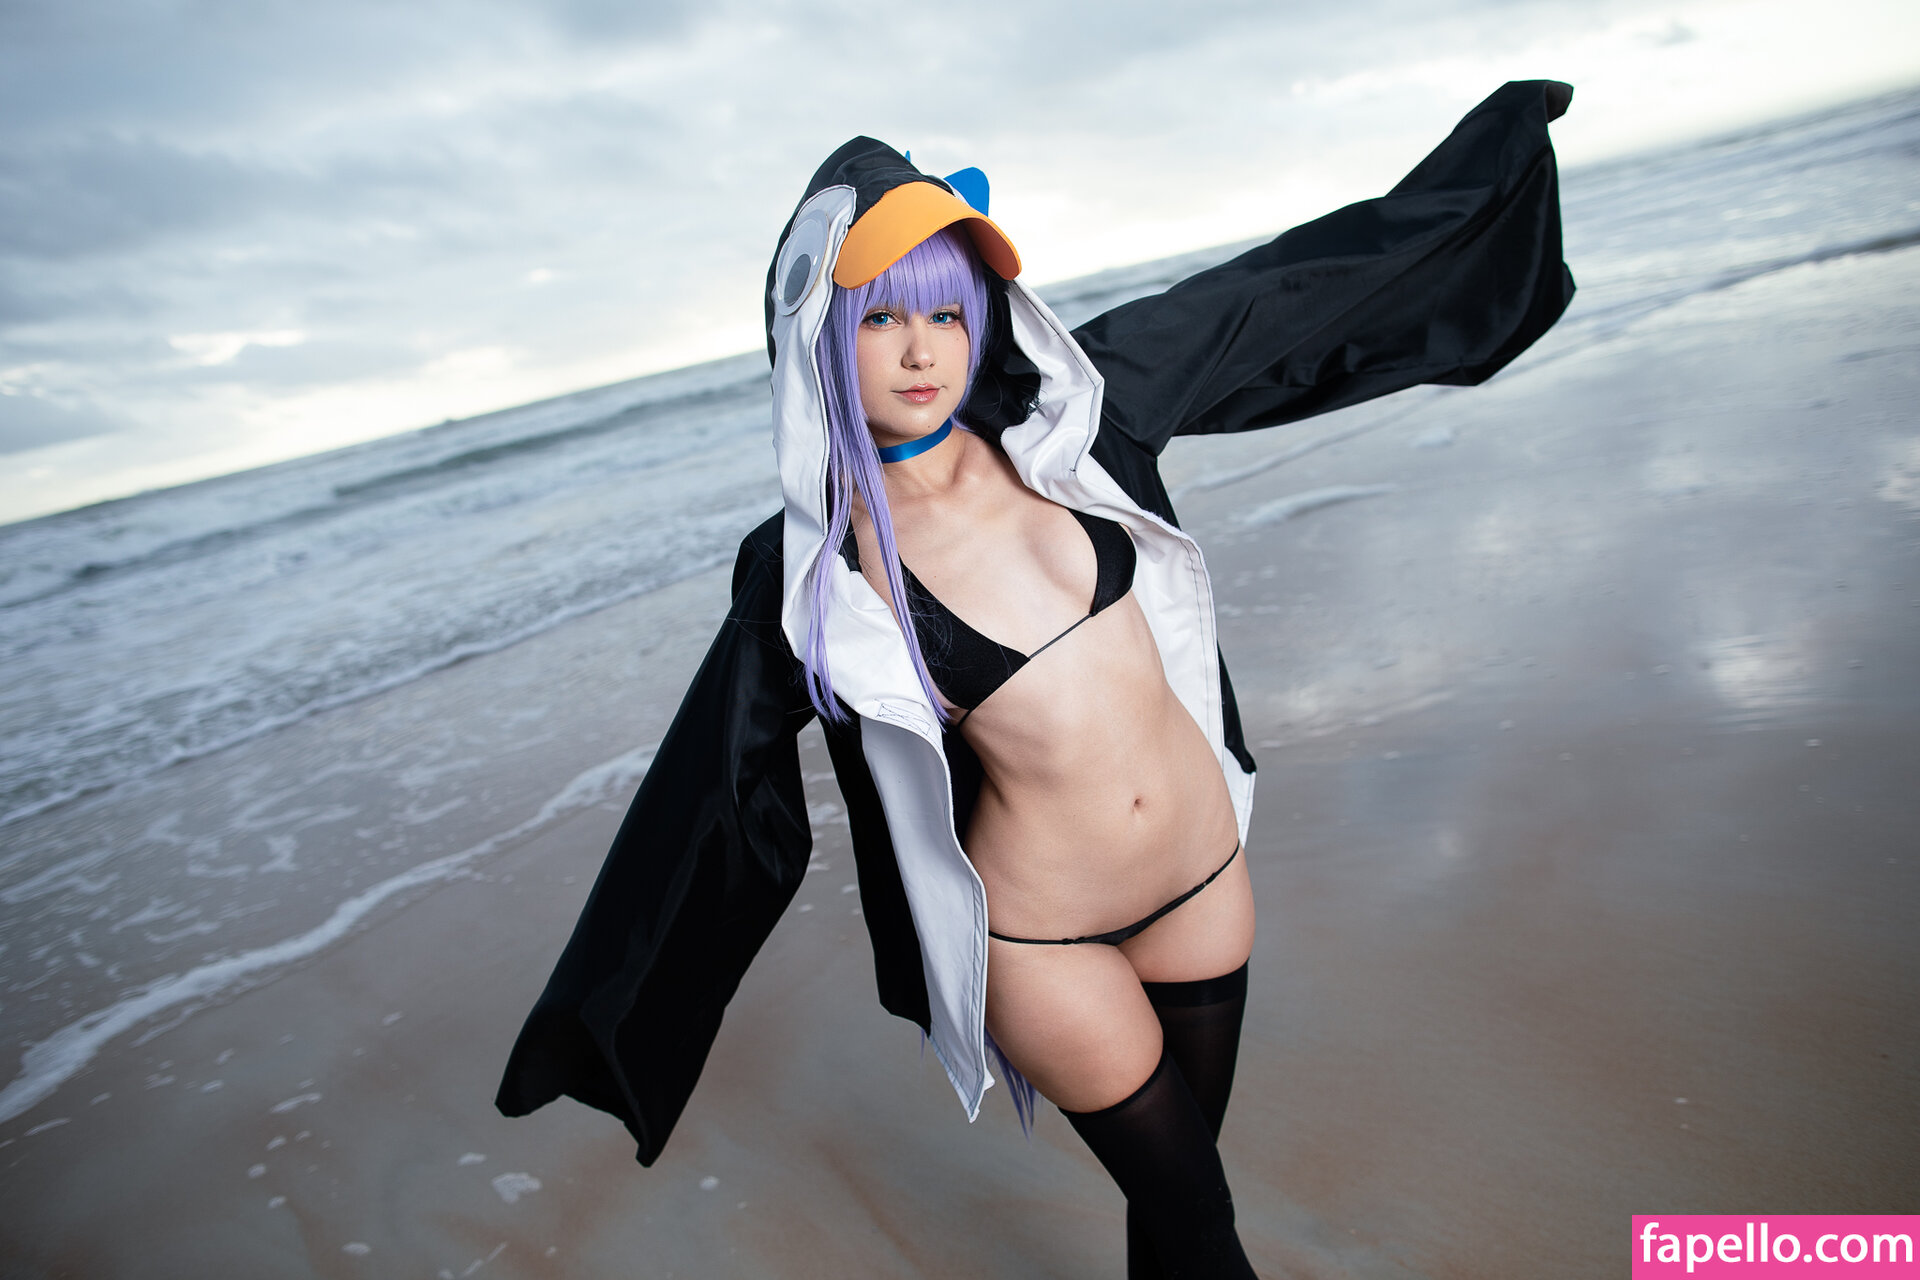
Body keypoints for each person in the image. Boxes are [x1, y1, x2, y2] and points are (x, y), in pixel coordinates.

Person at [497, 80, 1575, 1277]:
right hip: (1044, 942)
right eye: (881, 317)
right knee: (1204, 1222)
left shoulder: (1077, 412)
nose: (923, 350)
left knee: (1174, 1218)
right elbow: (709, 792)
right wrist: (601, 1017)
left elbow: (1276, 297)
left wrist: (1492, 161)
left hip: (1206, 880)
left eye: (946, 312)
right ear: (819, 334)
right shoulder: (814, 565)